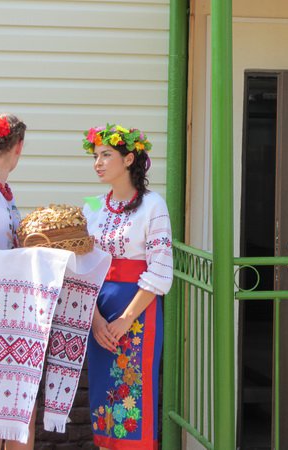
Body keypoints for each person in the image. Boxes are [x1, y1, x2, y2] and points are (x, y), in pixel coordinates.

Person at [82, 124, 173, 450]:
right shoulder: (91, 206)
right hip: (98, 309)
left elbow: (159, 269)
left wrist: (125, 320)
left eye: (106, 155)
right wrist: (96, 321)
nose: (98, 163)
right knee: (102, 393)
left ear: (129, 158)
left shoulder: (153, 205)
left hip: (137, 310)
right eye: (95, 156)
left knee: (132, 392)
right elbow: (81, 267)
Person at [0, 113, 36, 450]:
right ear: (19, 147)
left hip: (5, 301)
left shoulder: (1, 190)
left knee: (14, 399)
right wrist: (27, 258)